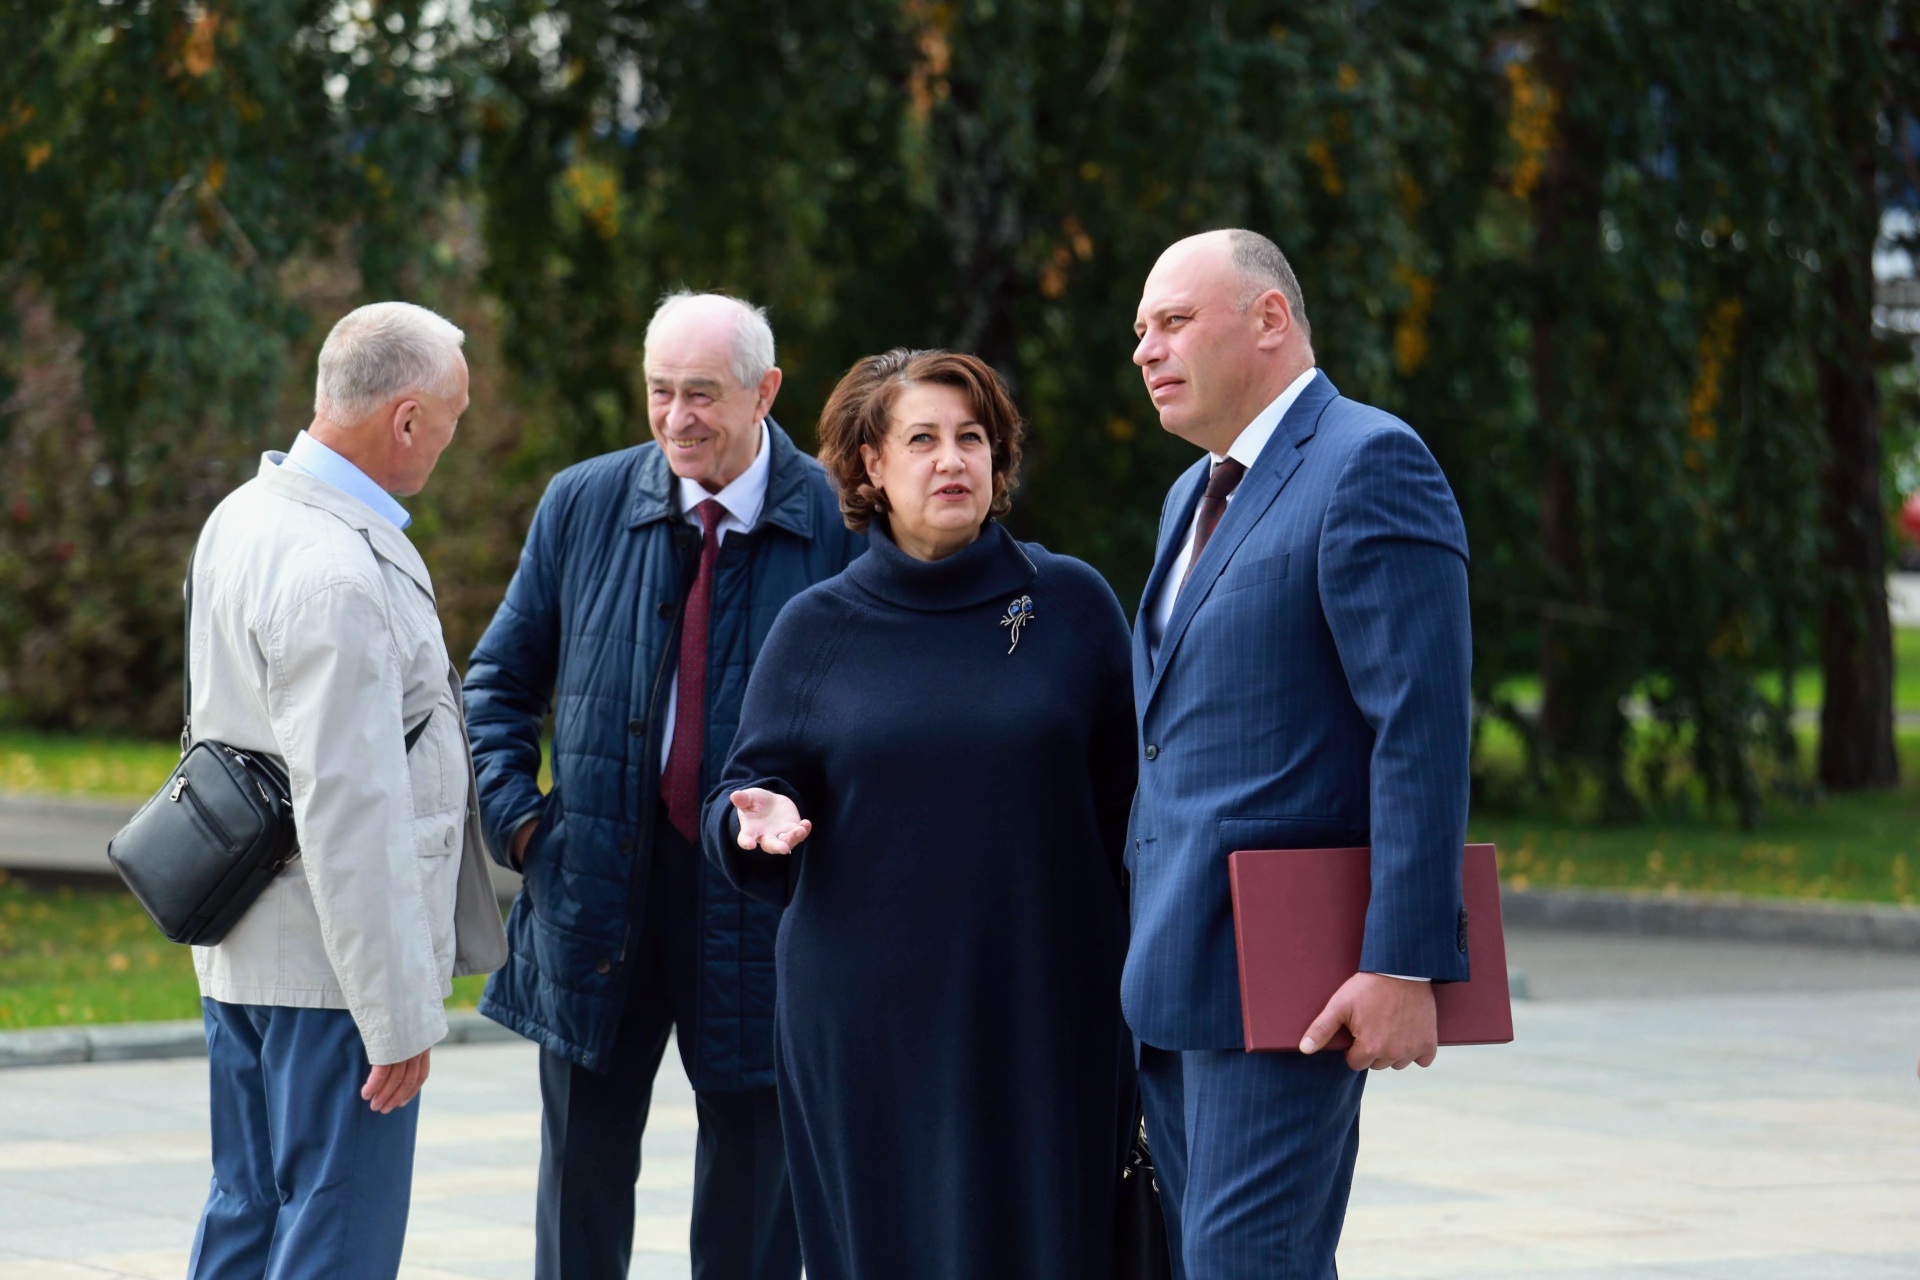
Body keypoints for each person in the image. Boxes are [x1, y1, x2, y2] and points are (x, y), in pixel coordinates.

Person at [703, 348, 1138, 1280]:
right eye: (923, 440)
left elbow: (1131, 815)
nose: (953, 460)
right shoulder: (815, 627)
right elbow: (746, 786)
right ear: (871, 465)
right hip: (866, 1023)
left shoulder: (1072, 605)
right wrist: (754, 820)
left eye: (972, 438)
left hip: (1044, 1007)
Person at [463, 292, 862, 1280]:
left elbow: (882, 722)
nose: (678, 418)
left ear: (766, 392)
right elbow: (497, 681)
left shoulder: (841, 521)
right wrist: (520, 824)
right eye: (660, 391)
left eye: (703, 394)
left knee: (755, 1206)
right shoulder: (583, 502)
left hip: (764, 900)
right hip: (595, 889)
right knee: (579, 1193)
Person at [1125, 230, 1473, 1278]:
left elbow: (1419, 729)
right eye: (1140, 331)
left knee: (1248, 1263)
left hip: (1291, 980)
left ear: (1269, 318)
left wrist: (1402, 960)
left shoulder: (1371, 462)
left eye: (1173, 321)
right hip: (1173, 969)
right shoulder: (1188, 496)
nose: (1146, 350)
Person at [184, 301, 509, 1279]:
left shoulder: (244, 516)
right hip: (332, 974)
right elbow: (351, 808)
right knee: (338, 1237)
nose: (450, 438)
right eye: (450, 418)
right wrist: (396, 1014)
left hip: (246, 942)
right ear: (405, 419)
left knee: (246, 1214)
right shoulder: (337, 569)